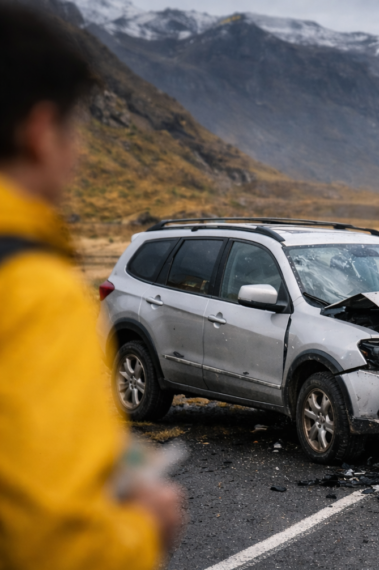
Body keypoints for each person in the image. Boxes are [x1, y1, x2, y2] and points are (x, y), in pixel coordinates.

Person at [0, 6, 183, 569]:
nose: (78, 152)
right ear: (39, 133)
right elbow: (57, 546)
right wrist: (145, 527)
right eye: (73, 130)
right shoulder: (33, 292)